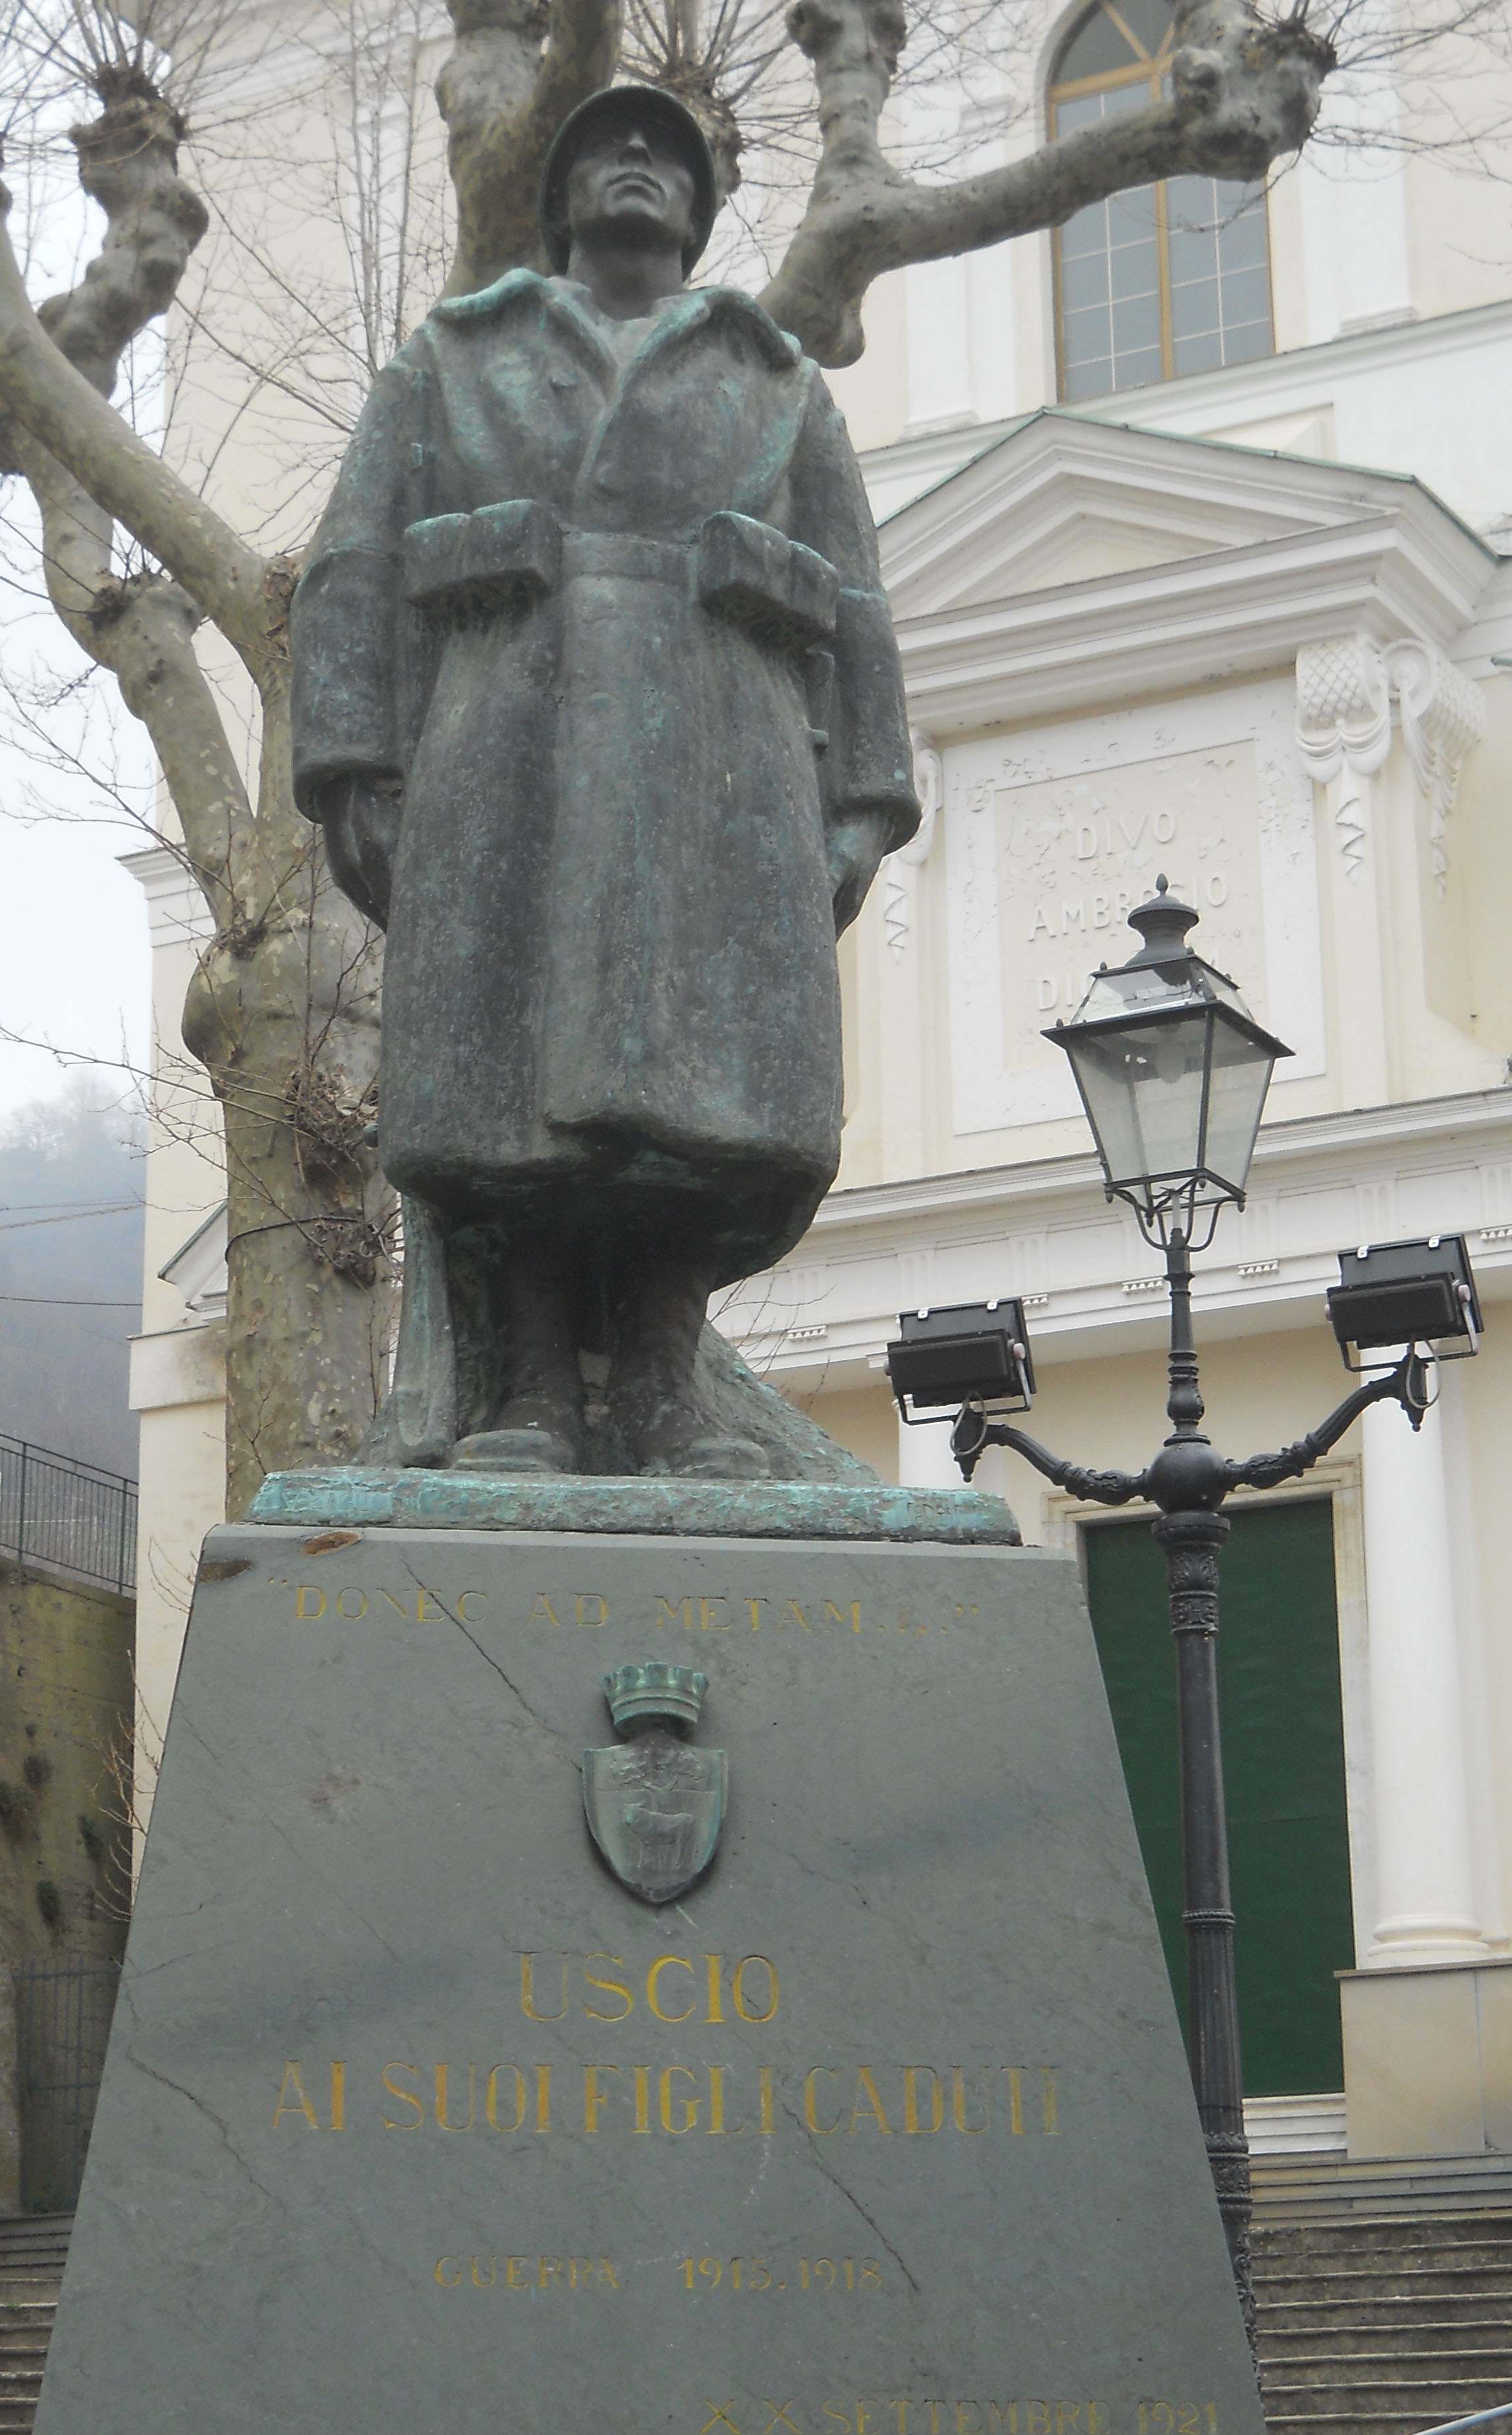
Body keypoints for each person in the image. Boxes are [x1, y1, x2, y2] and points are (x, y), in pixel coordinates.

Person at [290, 84, 920, 1478]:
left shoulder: (774, 380)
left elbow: (860, 603)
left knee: (699, 1099)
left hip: (722, 773)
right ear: (561, 195)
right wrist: (348, 761)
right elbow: (352, 563)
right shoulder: (453, 361)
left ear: (699, 211)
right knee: (501, 1077)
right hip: (504, 748)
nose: (636, 165)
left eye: (666, 156)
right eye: (604, 148)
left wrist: (867, 795)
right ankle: (522, 1392)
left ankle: (661, 1389)